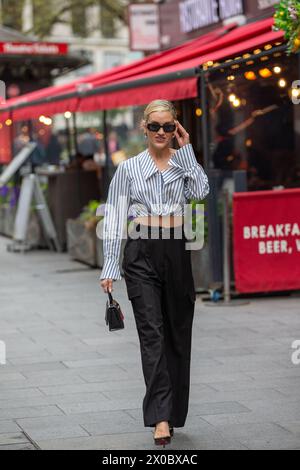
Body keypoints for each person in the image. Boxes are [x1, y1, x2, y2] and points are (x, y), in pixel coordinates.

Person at [99, 100, 210, 447]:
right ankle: (160, 417)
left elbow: (201, 192)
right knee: (152, 333)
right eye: (154, 127)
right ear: (143, 129)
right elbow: (116, 217)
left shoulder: (183, 165)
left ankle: (174, 411)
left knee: (178, 333)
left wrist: (187, 149)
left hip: (176, 248)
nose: (161, 133)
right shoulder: (129, 169)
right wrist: (110, 266)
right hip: (141, 251)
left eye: (167, 126)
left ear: (175, 128)